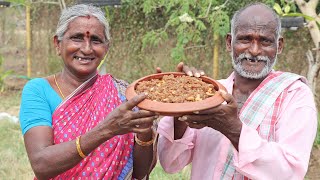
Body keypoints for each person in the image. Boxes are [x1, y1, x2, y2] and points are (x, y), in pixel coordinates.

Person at [18, 4, 193, 179]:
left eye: (96, 40)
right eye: (77, 38)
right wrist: (107, 130)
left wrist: (144, 132)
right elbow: (41, 164)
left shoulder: (124, 94)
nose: (87, 49)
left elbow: (140, 172)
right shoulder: (38, 90)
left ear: (106, 48)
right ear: (58, 44)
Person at [157, 2, 318, 179]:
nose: (255, 50)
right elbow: (170, 163)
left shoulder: (294, 96)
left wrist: (234, 130)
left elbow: (290, 172)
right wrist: (180, 109)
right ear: (229, 42)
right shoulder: (209, 93)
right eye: (245, 39)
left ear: (279, 46)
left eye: (265, 41)